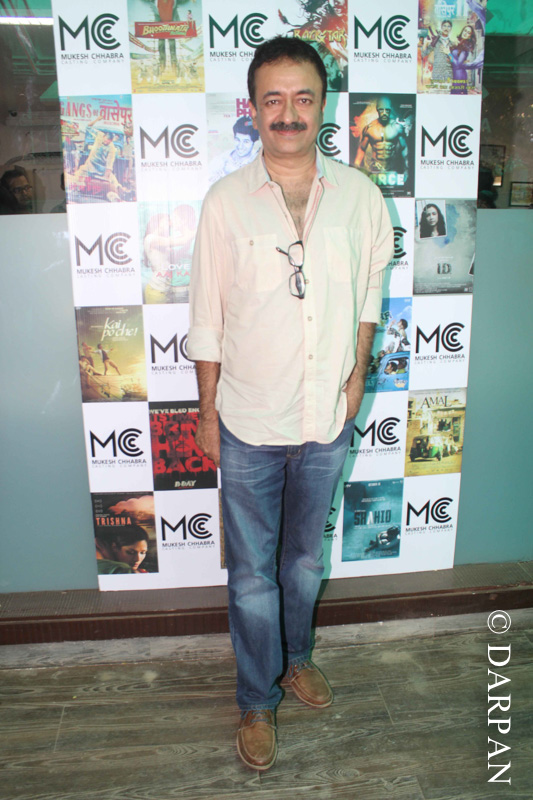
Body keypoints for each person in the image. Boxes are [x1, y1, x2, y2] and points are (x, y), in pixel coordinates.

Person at [187, 36, 393, 771]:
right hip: (247, 417)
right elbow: (206, 316)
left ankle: (296, 659)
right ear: (252, 109)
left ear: (322, 105)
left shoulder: (361, 198)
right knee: (251, 575)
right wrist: (206, 411)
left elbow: (369, 293)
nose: (288, 113)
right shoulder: (224, 203)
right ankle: (256, 698)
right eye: (272, 99)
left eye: (302, 98)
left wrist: (357, 375)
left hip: (325, 417)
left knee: (305, 561)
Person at [353, 97, 409, 187]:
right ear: (377, 110)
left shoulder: (397, 128)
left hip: (392, 170)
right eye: (381, 110)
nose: (384, 113)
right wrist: (356, 167)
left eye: (387, 110)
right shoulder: (370, 128)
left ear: (390, 110)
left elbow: (404, 148)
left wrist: (406, 169)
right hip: (374, 169)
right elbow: (362, 149)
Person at [209, 116, 260, 184]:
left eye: (246, 142)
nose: (240, 146)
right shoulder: (221, 160)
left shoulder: (259, 162)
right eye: (237, 140)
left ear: (253, 142)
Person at [422, 20, 454, 91]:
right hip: (436, 74)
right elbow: (423, 54)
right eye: (444, 26)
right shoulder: (435, 42)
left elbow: (454, 61)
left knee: (446, 96)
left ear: (451, 29)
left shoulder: (452, 44)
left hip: (448, 75)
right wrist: (429, 44)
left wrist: (449, 54)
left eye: (448, 26)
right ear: (441, 27)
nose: (446, 28)